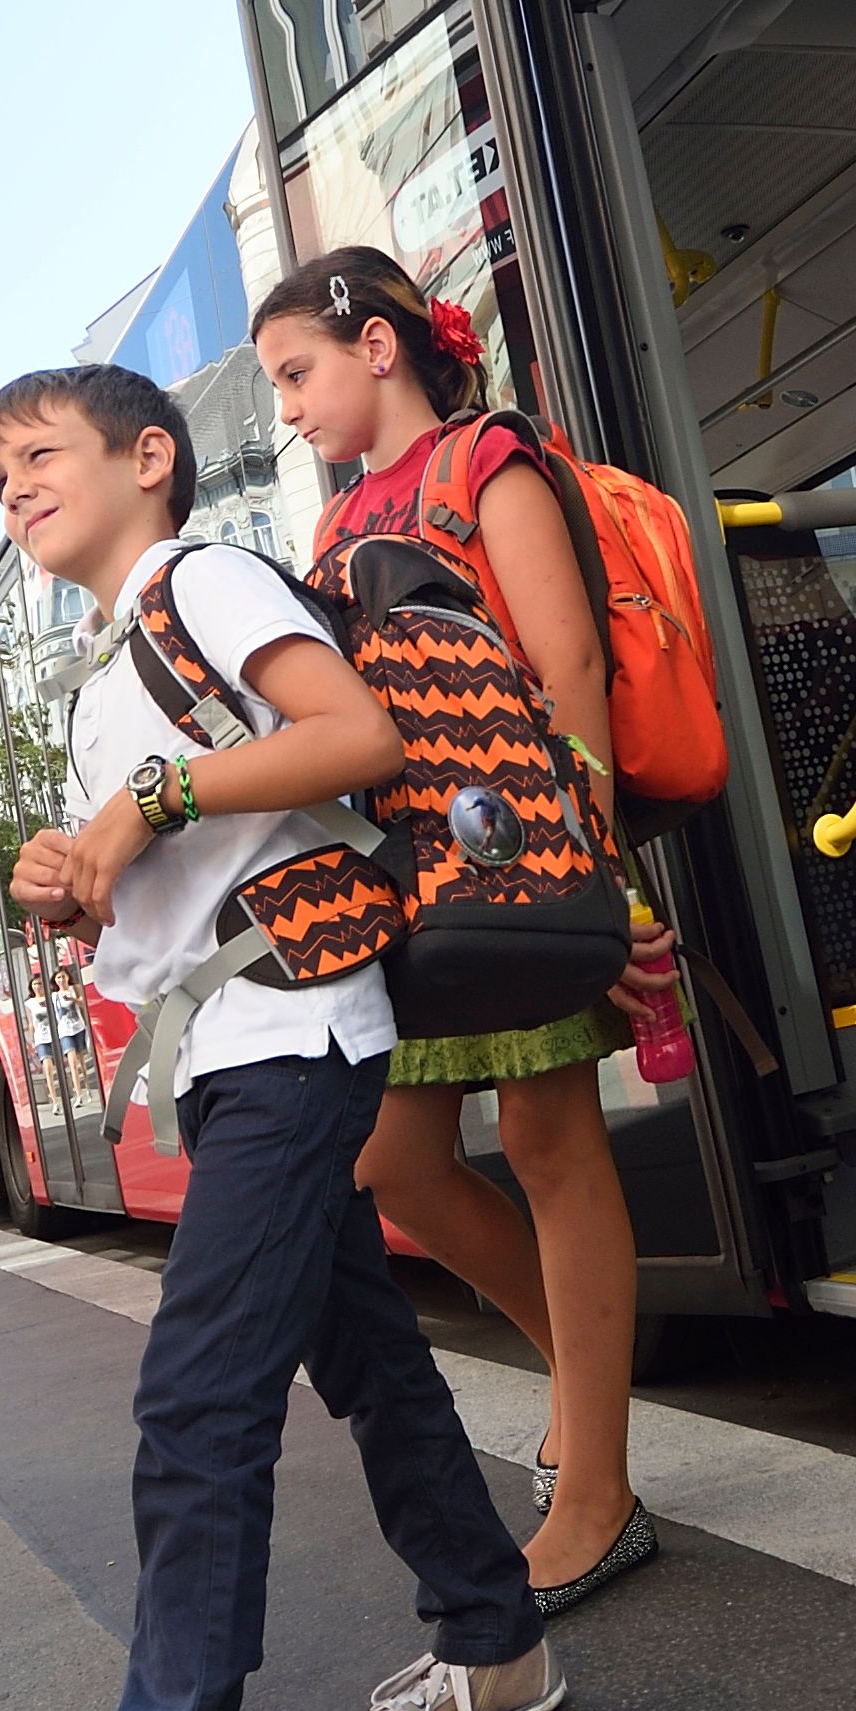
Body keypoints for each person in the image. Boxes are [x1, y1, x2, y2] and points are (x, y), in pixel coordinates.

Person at [0, 363, 557, 1711]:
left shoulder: (198, 579)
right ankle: (493, 1641)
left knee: (198, 1394)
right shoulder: (102, 666)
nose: (14, 488)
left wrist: (142, 802)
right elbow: (188, 863)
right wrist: (82, 875)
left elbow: (352, 734)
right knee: (371, 1364)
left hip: (293, 1025)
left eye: (39, 453)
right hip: (224, 1047)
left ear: (150, 455)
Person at [250, 255, 677, 1618]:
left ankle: (597, 1489)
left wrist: (595, 876)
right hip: (414, 876)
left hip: (523, 858)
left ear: (377, 347)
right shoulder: (339, 519)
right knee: (395, 1161)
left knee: (551, 1140)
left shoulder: (486, 458)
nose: (287, 409)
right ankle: (588, 1385)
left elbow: (569, 667)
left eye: (296, 373)